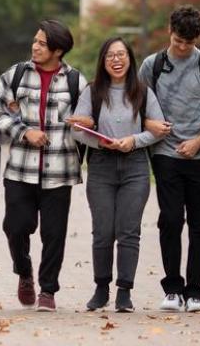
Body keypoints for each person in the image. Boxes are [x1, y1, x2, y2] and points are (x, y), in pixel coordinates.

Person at [137, 5, 200, 313]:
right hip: (165, 152)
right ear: (170, 31)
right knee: (171, 219)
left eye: (188, 43)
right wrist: (152, 126)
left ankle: (194, 293)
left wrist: (199, 141)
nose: (182, 47)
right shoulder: (152, 65)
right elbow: (140, 107)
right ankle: (172, 289)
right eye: (178, 40)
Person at [0, 19, 86, 312]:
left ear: (58, 50)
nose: (35, 46)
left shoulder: (76, 82)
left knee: (54, 234)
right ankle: (24, 271)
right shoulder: (15, 75)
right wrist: (24, 131)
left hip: (60, 170)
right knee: (15, 227)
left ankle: (48, 290)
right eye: (35, 41)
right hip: (20, 168)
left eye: (42, 43)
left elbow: (87, 122)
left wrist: (83, 124)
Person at [68, 36, 167, 313]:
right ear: (103, 61)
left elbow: (157, 130)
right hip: (101, 165)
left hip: (135, 166)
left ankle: (125, 291)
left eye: (121, 54)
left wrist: (134, 141)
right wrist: (101, 142)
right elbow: (77, 128)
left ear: (130, 59)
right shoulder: (92, 91)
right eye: (110, 55)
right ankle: (101, 288)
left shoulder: (143, 92)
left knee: (128, 231)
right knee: (103, 231)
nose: (116, 60)